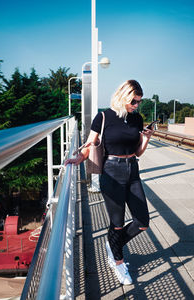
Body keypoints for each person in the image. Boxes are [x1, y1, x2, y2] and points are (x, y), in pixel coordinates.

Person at [65, 79, 154, 285]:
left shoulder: (137, 119)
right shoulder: (103, 117)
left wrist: (147, 138)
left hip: (132, 169)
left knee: (142, 221)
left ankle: (112, 246)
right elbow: (90, 144)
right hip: (111, 171)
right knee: (117, 222)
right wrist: (79, 158)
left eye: (139, 102)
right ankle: (118, 262)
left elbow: (138, 151)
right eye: (134, 101)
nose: (136, 105)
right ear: (123, 95)